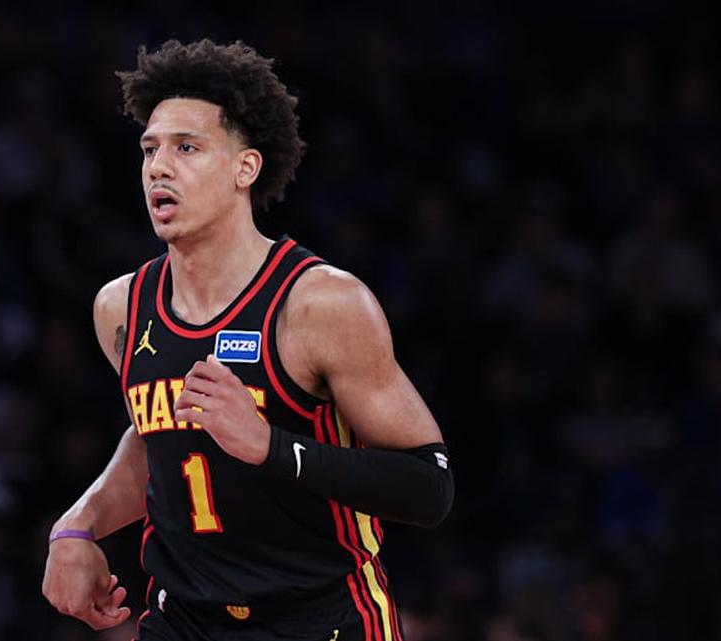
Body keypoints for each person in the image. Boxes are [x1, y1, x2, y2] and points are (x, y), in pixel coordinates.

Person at [42, 39, 454, 641]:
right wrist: (76, 526)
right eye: (150, 149)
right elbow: (158, 441)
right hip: (183, 619)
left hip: (320, 618)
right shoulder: (121, 307)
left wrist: (271, 446)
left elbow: (429, 486)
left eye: (187, 148)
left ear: (246, 168)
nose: (159, 166)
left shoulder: (320, 303)